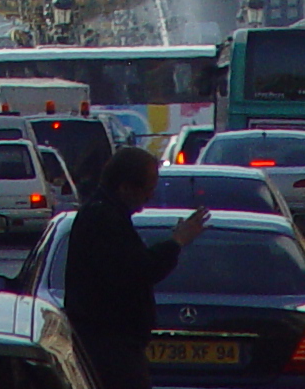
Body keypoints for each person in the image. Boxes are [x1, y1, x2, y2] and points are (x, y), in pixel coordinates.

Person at [62, 145, 209, 389]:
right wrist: (176, 242)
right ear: (125, 187)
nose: (149, 197)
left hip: (111, 344)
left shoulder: (104, 215)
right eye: (147, 189)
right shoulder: (103, 220)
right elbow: (138, 271)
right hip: (109, 348)